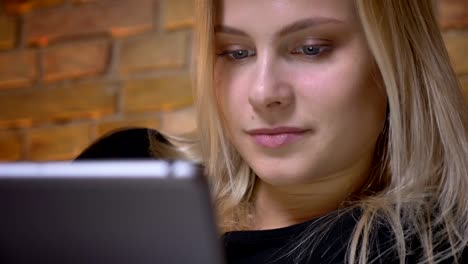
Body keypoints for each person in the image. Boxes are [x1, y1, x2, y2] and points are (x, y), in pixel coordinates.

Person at [78, 0, 468, 263]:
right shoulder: (122, 175)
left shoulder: (436, 247)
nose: (263, 94)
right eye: (236, 52)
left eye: (311, 48)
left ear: (395, 61)